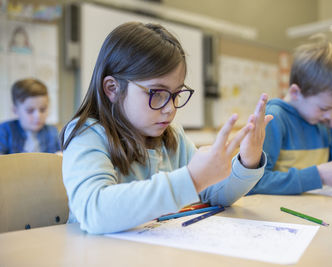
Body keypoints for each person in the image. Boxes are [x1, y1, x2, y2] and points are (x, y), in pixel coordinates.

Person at [61, 22, 273, 234]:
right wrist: (192, 179)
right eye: (157, 93)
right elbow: (94, 211)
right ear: (113, 88)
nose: (170, 109)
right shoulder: (87, 135)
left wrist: (248, 161)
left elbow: (216, 194)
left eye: (176, 94)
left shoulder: (174, 137)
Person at [248, 35, 332, 196]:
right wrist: (317, 176)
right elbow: (255, 183)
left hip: (315, 209)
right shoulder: (274, 119)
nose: (329, 115)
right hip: (280, 214)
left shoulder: (319, 120)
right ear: (295, 92)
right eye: (324, 108)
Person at [0, 78, 60, 154]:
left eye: (42, 109)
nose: (38, 116)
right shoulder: (5, 131)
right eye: (30, 111)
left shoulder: (52, 132)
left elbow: (59, 156)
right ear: (15, 110)